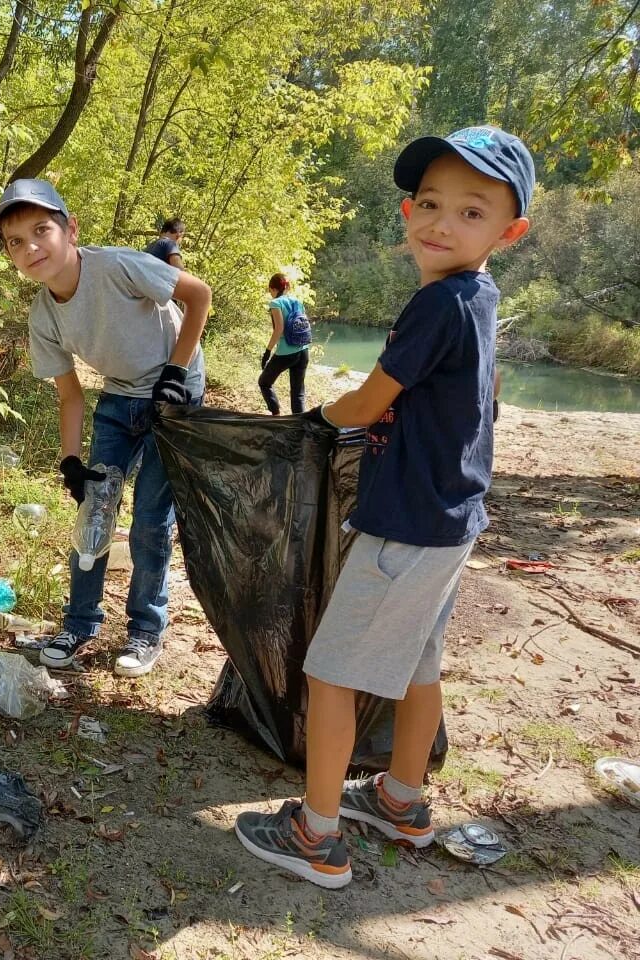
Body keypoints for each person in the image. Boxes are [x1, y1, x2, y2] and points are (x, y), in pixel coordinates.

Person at [234, 125, 534, 888]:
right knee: (418, 662)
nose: (441, 221)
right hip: (450, 519)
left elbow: (370, 402)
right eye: (429, 203)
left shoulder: (439, 305)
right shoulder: (477, 296)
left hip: (407, 522)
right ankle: (401, 799)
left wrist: (316, 420)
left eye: (471, 211)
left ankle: (316, 832)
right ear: (407, 213)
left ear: (511, 230)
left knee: (334, 673)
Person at [0, 180, 211, 678]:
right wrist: (71, 461)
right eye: (15, 242)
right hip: (120, 396)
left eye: (41, 231)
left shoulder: (116, 265)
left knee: (151, 520)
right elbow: (70, 393)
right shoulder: (43, 313)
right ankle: (80, 623)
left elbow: (198, 296)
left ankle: (145, 630)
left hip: (175, 394)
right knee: (95, 511)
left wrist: (175, 372)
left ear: (71, 230)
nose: (31, 248)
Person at [258, 274, 310, 415]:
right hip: (303, 350)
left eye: (270, 290)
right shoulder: (297, 302)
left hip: (286, 353)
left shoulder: (275, 303)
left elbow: (279, 329)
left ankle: (276, 414)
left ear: (273, 288)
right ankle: (299, 426)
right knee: (298, 392)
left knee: (264, 382)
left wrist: (267, 352)